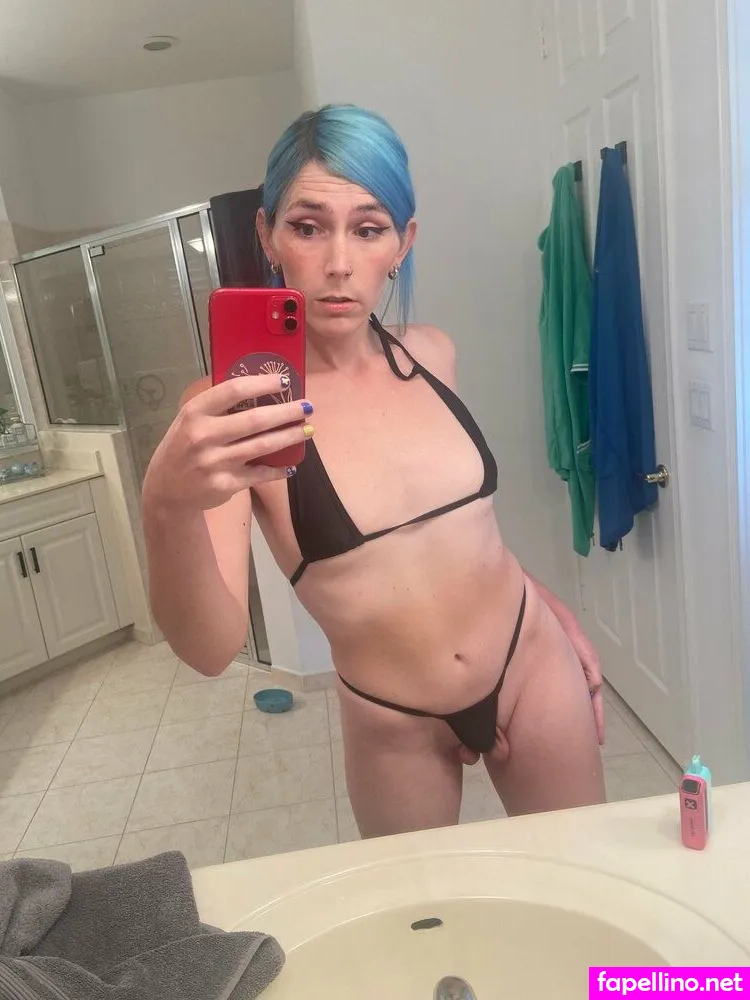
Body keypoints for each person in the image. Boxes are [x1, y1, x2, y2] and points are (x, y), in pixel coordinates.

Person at [142, 104, 606, 838]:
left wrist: (546, 602)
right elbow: (209, 651)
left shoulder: (433, 353)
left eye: (368, 228)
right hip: (394, 721)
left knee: (582, 876)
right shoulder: (234, 410)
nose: (339, 264)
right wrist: (165, 507)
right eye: (308, 227)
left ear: (402, 242)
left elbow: (463, 530)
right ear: (267, 236)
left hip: (531, 661)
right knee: (422, 910)